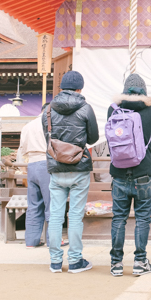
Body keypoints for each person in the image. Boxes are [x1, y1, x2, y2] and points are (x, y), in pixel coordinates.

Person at [42, 70, 99, 274]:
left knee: (56, 216)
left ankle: (55, 262)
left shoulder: (48, 110)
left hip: (57, 168)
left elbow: (48, 137)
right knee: (75, 216)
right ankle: (75, 261)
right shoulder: (85, 108)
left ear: (61, 88)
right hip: (79, 167)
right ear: (79, 89)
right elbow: (93, 138)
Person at [107, 74, 151, 277]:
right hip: (143, 172)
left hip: (119, 172)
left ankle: (116, 263)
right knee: (142, 219)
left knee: (118, 218)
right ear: (144, 91)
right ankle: (140, 262)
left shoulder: (113, 109)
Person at [20, 103, 54, 248]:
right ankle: (52, 240)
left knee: (33, 205)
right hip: (45, 163)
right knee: (51, 204)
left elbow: (22, 149)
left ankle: (31, 241)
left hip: (31, 165)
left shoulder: (27, 126)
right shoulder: (49, 125)